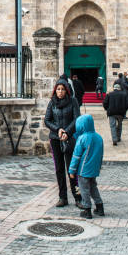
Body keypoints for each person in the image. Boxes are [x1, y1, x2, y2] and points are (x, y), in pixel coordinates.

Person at [44, 78, 82, 207]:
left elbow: (77, 119)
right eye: (58, 89)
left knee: (71, 168)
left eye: (62, 89)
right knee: (59, 169)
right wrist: (58, 129)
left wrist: (67, 132)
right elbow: (47, 120)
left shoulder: (73, 101)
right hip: (55, 138)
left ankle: (77, 197)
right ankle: (62, 197)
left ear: (67, 90)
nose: (60, 92)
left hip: (69, 138)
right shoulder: (52, 103)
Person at [68, 115, 104, 219]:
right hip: (93, 170)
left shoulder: (82, 138)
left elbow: (76, 156)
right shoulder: (98, 137)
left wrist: (72, 171)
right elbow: (100, 155)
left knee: (84, 190)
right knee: (93, 188)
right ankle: (99, 206)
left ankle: (87, 210)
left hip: (83, 170)